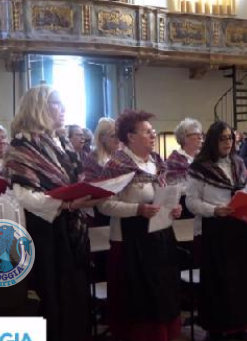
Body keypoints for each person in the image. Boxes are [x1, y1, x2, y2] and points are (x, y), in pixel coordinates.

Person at [6, 85, 107, 341]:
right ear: (38, 107)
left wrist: (88, 193)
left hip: (71, 225)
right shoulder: (23, 144)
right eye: (56, 104)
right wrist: (66, 204)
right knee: (53, 291)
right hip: (45, 228)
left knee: (74, 290)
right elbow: (25, 195)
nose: (63, 110)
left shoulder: (61, 141)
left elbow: (75, 178)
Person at [98, 110, 183, 341]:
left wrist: (173, 209)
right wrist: (138, 210)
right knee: (140, 300)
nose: (153, 135)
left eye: (153, 131)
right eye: (147, 132)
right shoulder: (116, 165)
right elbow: (104, 205)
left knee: (162, 294)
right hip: (131, 245)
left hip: (159, 239)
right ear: (130, 137)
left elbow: (161, 195)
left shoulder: (156, 161)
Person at [186, 121, 247, 341]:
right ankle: (217, 327)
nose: (227, 142)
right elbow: (191, 201)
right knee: (219, 283)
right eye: (222, 138)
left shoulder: (238, 163)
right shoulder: (199, 168)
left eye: (230, 138)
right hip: (215, 230)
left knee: (242, 281)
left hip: (240, 229)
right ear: (212, 141)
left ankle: (241, 324)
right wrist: (215, 210)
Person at [166, 118, 203, 187]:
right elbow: (176, 188)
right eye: (196, 134)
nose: (200, 137)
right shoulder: (174, 161)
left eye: (200, 134)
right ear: (184, 138)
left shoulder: (203, 158)